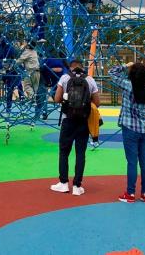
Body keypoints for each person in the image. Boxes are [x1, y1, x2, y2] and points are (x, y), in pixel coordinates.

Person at [50, 60, 101, 195]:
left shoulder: (65, 78)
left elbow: (56, 98)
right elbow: (97, 102)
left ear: (71, 67)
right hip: (83, 121)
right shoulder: (89, 80)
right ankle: (77, 186)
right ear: (82, 67)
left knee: (64, 152)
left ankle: (63, 183)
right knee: (80, 153)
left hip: (68, 120)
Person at [109, 61, 145, 203]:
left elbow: (112, 73)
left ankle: (130, 193)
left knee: (132, 162)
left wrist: (125, 65)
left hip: (130, 128)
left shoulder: (128, 86)